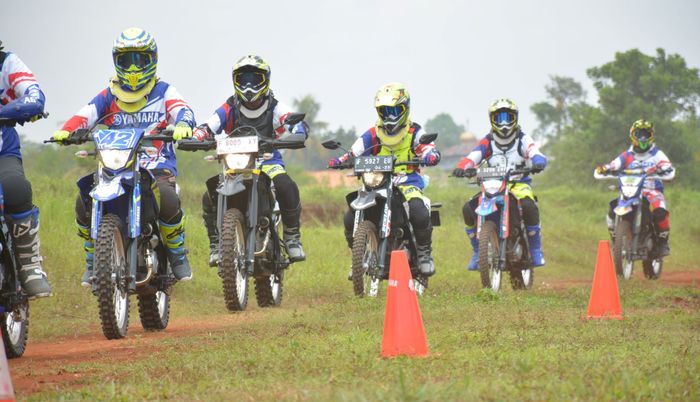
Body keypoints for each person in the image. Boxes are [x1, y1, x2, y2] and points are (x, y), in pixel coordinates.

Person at [52, 28, 195, 285]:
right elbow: (86, 114)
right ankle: (93, 260)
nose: (132, 68)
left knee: (168, 198)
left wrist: (184, 124)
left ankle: (177, 255)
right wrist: (66, 130)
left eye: (139, 60)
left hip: (155, 164)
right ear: (116, 62)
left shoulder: (164, 91)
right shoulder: (110, 94)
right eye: (126, 60)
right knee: (83, 198)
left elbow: (183, 110)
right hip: (115, 165)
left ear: (152, 60)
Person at [193, 54, 309, 266]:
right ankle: (216, 243)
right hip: (234, 164)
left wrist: (299, 131)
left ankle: (292, 236)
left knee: (286, 185)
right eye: (242, 80)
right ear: (235, 81)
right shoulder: (230, 107)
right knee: (208, 196)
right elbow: (209, 125)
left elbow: (292, 122)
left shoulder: (274, 106)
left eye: (254, 80)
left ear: (265, 80)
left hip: (268, 161)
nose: (248, 86)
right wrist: (199, 135)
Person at [328, 82, 441, 276]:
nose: (389, 116)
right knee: (350, 215)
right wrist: (341, 159)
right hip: (376, 183)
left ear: (405, 109)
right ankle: (359, 257)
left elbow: (428, 148)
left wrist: (430, 154)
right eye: (384, 111)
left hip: (407, 182)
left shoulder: (415, 131)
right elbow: (355, 151)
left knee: (418, 210)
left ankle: (424, 254)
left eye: (394, 110)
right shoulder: (373, 133)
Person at [452, 98, 547, 270]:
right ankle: (477, 251)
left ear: (515, 118)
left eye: (507, 117)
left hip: (518, 184)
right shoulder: (488, 141)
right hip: (492, 185)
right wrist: (462, 167)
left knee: (528, 205)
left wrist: (538, 162)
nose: (503, 122)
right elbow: (472, 156)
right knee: (468, 208)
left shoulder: (522, 139)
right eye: (499, 118)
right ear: (492, 120)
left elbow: (535, 151)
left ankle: (535, 249)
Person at [0, 41, 52, 299]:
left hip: (3, 152)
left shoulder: (6, 63)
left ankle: (31, 265)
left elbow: (34, 95)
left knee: (16, 188)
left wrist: (10, 109)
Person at [596, 119, 675, 256]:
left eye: (646, 134)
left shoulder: (656, 154)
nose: (643, 138)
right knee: (612, 207)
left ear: (651, 136)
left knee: (660, 212)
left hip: (652, 191)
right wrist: (605, 168)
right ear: (633, 135)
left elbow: (667, 166)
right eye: (639, 134)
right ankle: (616, 239)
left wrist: (665, 170)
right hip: (630, 190)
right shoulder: (628, 155)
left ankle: (663, 242)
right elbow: (614, 164)